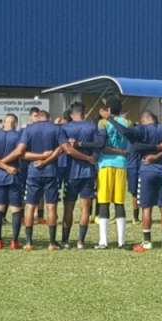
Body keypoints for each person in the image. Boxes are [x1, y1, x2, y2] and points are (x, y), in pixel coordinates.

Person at [106, 110, 162, 251]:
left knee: (146, 207)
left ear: (144, 119)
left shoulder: (142, 129)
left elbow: (125, 132)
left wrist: (111, 119)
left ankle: (147, 241)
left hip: (146, 171)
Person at [11, 109, 65, 250]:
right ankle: (52, 243)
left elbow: (21, 153)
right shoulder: (56, 129)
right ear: (48, 118)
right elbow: (61, 149)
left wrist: (39, 157)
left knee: (30, 205)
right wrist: (46, 158)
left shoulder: (28, 130)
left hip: (33, 171)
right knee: (51, 206)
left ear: (37, 118)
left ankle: (29, 242)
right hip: (51, 172)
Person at [59, 102, 103, 249]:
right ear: (84, 113)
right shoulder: (92, 127)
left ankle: (65, 240)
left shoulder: (65, 128)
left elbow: (63, 149)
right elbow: (98, 145)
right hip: (88, 172)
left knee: (68, 207)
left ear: (71, 114)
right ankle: (80, 241)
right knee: (85, 208)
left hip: (70, 172)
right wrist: (93, 157)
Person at [96, 97, 131, 249]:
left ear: (108, 110)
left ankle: (103, 241)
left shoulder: (103, 123)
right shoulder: (128, 123)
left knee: (103, 202)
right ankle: (121, 242)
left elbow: (101, 145)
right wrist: (121, 151)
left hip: (106, 164)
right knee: (119, 203)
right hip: (121, 164)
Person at [0, 113, 26, 250]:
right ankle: (14, 241)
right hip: (14, 174)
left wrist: (2, 165)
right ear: (15, 123)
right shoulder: (19, 135)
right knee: (16, 208)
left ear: (4, 122)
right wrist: (8, 167)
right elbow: (19, 152)